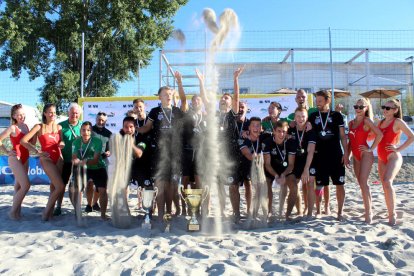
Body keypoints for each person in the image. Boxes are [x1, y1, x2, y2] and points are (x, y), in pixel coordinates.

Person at [137, 76, 187, 220]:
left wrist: (179, 83)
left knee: (172, 184)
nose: (168, 96)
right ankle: (160, 213)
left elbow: (184, 100)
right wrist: (135, 129)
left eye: (170, 94)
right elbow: (146, 127)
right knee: (160, 184)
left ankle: (168, 212)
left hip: (174, 153)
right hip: (158, 153)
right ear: (160, 97)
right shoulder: (154, 111)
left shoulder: (177, 111)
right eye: (165, 94)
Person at [308, 90, 349, 220]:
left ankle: (340, 212)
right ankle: (319, 210)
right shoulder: (313, 116)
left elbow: (343, 136)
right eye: (316, 101)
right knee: (319, 184)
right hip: (319, 156)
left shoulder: (337, 116)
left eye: (320, 101)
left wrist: (346, 153)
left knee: (339, 184)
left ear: (327, 101)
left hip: (336, 155)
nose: (317, 103)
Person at [21, 103, 65, 221]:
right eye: (50, 112)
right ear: (45, 113)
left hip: (59, 159)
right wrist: (37, 151)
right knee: (60, 187)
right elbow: (23, 141)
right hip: (46, 159)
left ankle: (50, 212)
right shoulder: (39, 127)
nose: (53, 114)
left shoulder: (59, 128)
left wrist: (62, 144)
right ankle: (45, 213)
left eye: (54, 112)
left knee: (54, 187)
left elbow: (62, 142)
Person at [377, 99, 414, 225]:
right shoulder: (380, 122)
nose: (385, 110)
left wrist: (398, 148)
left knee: (387, 182)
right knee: (384, 186)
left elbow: (412, 136)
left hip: (393, 156)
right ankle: (390, 211)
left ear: (395, 110)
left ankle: (392, 216)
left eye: (388, 108)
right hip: (381, 158)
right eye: (384, 107)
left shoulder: (397, 121)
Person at [347, 98, 383, 224]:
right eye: (356, 106)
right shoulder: (351, 123)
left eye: (361, 107)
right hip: (356, 156)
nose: (358, 109)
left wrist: (372, 148)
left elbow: (379, 134)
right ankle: (367, 209)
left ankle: (369, 213)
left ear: (367, 108)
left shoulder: (367, 121)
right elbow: (350, 142)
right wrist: (348, 155)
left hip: (365, 154)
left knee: (363, 182)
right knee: (361, 183)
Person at [0, 104, 33, 219]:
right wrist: (7, 151)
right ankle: (12, 211)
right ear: (14, 116)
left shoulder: (26, 126)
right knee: (26, 185)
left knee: (18, 187)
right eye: (19, 115)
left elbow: (28, 143)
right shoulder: (12, 128)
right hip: (15, 158)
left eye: (23, 114)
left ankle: (17, 212)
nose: (22, 116)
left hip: (26, 158)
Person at [71, 121, 109, 220]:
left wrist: (84, 161)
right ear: (80, 131)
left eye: (88, 130)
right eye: (83, 130)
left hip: (98, 167)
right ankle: (78, 211)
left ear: (91, 132)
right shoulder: (76, 142)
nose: (85, 132)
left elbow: (96, 160)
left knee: (102, 191)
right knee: (78, 189)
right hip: (84, 168)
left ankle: (103, 215)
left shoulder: (97, 141)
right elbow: (74, 157)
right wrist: (76, 160)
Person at [263, 120, 296, 220]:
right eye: (279, 131)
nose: (281, 134)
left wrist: (283, 174)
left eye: (284, 131)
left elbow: (291, 165)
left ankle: (288, 214)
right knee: (266, 185)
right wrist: (276, 175)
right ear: (274, 131)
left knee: (294, 187)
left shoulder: (291, 142)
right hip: (271, 169)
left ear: (287, 132)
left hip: (286, 169)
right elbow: (267, 164)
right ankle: (269, 212)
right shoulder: (267, 142)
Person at [288, 107, 317, 218]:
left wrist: (306, 169)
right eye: (298, 116)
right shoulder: (290, 129)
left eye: (303, 116)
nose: (301, 119)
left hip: (309, 160)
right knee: (294, 185)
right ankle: (299, 210)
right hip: (295, 161)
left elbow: (310, 151)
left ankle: (309, 213)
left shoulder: (311, 131)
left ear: (307, 118)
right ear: (294, 117)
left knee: (310, 183)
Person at [55, 103, 82, 216]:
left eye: (76, 113)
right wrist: (59, 143)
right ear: (68, 113)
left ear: (79, 114)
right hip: (65, 160)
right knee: (62, 184)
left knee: (77, 186)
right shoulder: (60, 126)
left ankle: (77, 207)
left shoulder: (83, 125)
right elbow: (54, 141)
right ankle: (58, 206)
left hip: (78, 161)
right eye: (72, 113)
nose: (74, 115)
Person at [86, 111, 112, 212]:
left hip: (102, 162)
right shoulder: (90, 131)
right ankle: (88, 204)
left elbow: (109, 149)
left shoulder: (109, 133)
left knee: (100, 186)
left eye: (103, 120)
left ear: (105, 121)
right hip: (90, 161)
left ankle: (94, 203)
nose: (100, 122)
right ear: (95, 119)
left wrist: (109, 152)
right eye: (99, 119)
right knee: (89, 183)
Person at [239, 117, 265, 216]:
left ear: (261, 127)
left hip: (259, 165)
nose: (256, 127)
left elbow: (277, 134)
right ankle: (249, 209)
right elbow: (247, 154)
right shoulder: (243, 138)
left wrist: (288, 135)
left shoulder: (264, 135)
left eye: (258, 125)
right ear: (249, 127)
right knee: (248, 186)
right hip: (245, 164)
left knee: (259, 187)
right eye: (253, 125)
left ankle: (256, 210)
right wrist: (253, 157)